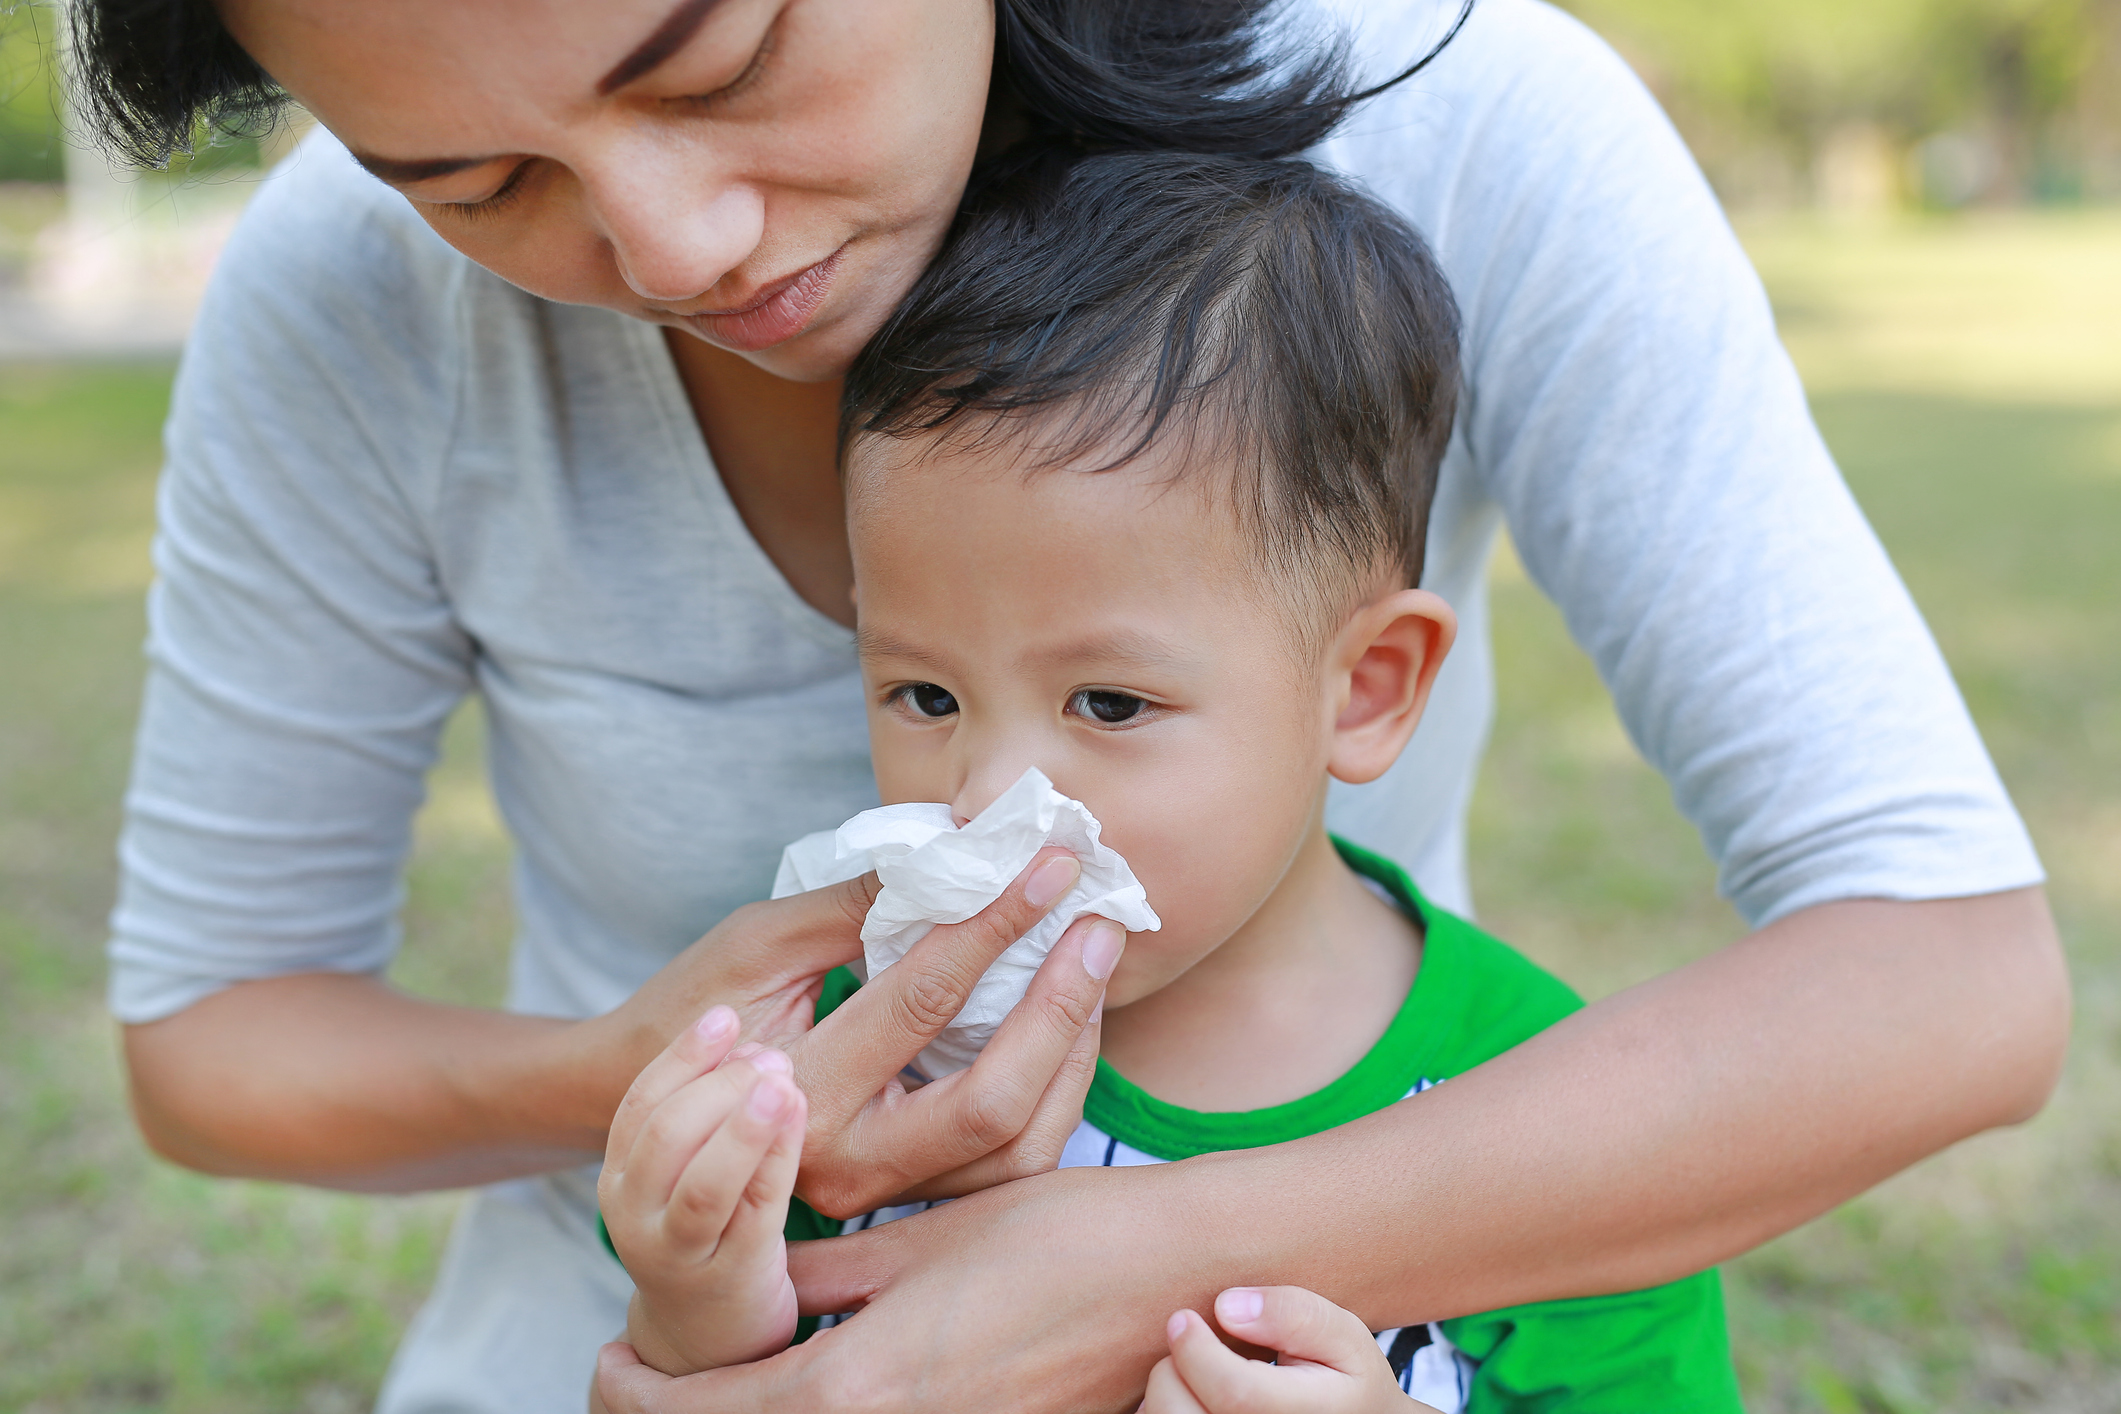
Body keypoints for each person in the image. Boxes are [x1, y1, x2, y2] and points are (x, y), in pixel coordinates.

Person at [74, 0, 2063, 1410]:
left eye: (718, 55)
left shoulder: (1451, 123)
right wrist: (655, 1098)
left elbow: (1947, 969)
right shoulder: (345, 308)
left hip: (1389, 1262)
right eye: (477, 178)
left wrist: (1142, 1254)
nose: (670, 244)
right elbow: (215, 1036)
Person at [597, 144, 1746, 1414]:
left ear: (1363, 687)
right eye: (925, 694)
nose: (987, 791)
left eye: (1110, 702)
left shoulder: (1536, 1109)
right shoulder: (857, 1041)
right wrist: (697, 1283)